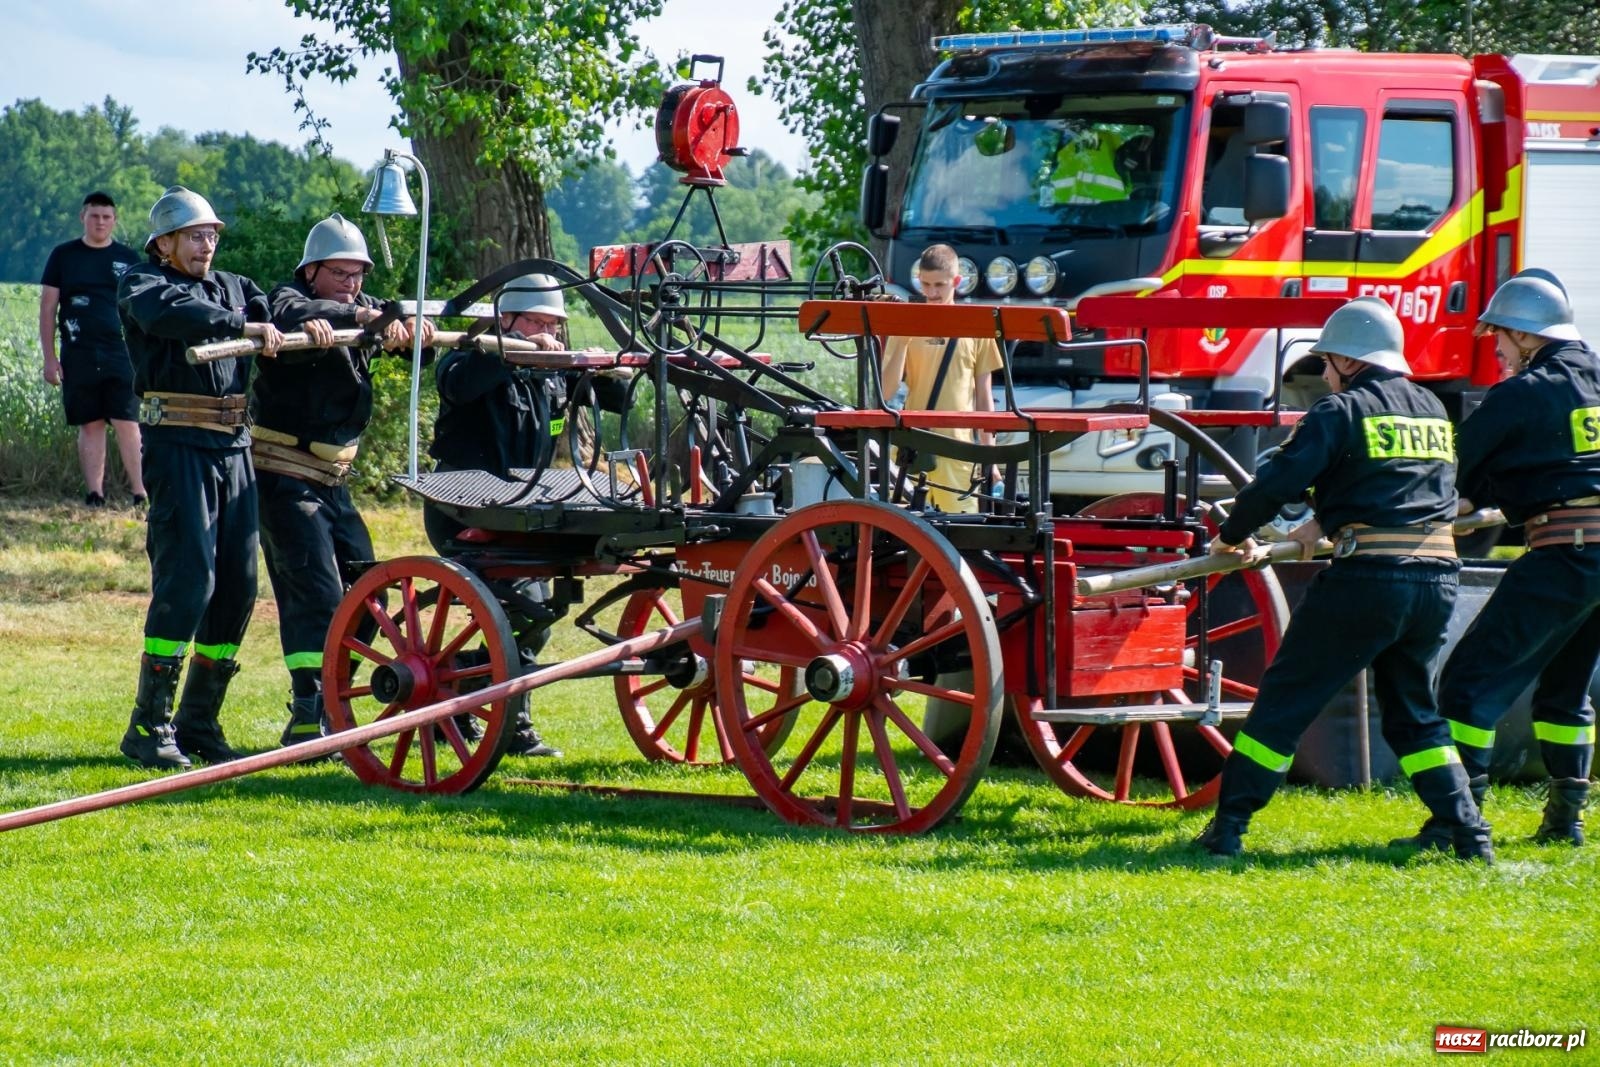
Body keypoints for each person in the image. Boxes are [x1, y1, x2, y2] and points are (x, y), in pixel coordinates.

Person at [1194, 297, 1491, 862]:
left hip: (1368, 580)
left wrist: (1231, 535)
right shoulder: (1431, 410)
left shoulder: (1342, 410)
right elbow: (1395, 486)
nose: (1325, 376)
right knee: (1414, 713)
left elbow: (1276, 481)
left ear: (1350, 361)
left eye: (1327, 363)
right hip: (1436, 580)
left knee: (1285, 700)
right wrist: (1322, 520)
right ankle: (1470, 833)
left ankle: (1228, 828)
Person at [1417, 273, 1600, 848]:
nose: (1494, 349)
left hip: (1565, 553)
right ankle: (1565, 823)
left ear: (1524, 335)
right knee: (1566, 692)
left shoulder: (1522, 393)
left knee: (1469, 685)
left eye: (1498, 336)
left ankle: (1457, 824)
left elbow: (1450, 477)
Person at [116, 186, 283, 770]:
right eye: (194, 236)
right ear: (164, 243)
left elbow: (279, 310)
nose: (207, 244)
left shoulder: (234, 286)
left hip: (234, 447)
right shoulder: (142, 284)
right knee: (189, 578)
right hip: (177, 446)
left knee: (237, 585)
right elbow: (172, 316)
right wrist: (242, 324)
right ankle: (149, 724)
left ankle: (198, 721)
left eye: (211, 235)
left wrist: (347, 317)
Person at [258, 214, 432, 750]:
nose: (353, 284)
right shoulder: (287, 301)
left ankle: (335, 693)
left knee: (364, 588)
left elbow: (380, 313)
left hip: (332, 483)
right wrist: (358, 313)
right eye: (341, 273)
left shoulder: (359, 302)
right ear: (312, 271)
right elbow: (295, 311)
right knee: (316, 593)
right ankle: (311, 712)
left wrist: (411, 328)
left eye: (358, 274)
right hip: (285, 477)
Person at [424, 273, 591, 759]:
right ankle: (513, 726)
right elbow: (461, 386)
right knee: (521, 609)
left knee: (536, 617)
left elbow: (615, 400)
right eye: (537, 321)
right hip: (461, 504)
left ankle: (463, 690)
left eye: (553, 324)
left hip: (520, 511)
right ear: (506, 318)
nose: (548, 331)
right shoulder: (467, 357)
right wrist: (513, 346)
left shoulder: (551, 370)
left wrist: (592, 369)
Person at [38, 192, 148, 509]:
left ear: (114, 220)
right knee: (91, 422)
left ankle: (140, 493)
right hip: (78, 352)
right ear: (83, 217)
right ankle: (94, 494)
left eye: (106, 216)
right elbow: (47, 309)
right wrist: (50, 358)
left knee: (128, 421)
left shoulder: (128, 259)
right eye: (94, 215)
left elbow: (143, 310)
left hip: (122, 354)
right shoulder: (63, 256)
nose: (100, 222)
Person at [879, 244, 1003, 514]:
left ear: (956, 282)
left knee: (961, 531)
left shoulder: (975, 326)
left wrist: (989, 457)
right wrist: (901, 339)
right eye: (925, 284)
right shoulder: (905, 323)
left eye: (939, 285)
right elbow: (887, 392)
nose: (931, 293)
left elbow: (984, 397)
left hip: (957, 449)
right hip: (912, 446)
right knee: (900, 532)